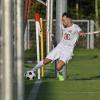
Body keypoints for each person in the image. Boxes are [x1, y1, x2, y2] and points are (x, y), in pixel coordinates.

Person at [33, 12, 85, 81]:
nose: (62, 22)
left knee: (58, 67)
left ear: (69, 19)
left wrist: (81, 33)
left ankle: (60, 74)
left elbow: (80, 31)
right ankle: (33, 70)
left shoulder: (75, 27)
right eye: (62, 20)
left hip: (68, 50)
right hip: (60, 46)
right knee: (46, 61)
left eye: (64, 20)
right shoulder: (63, 26)